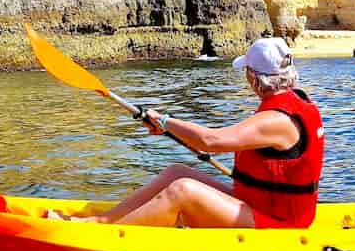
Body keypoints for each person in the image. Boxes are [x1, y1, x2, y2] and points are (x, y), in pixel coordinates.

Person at [48, 37, 325, 228]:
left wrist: (165, 120)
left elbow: (211, 141)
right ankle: (103, 222)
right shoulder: (297, 102)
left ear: (253, 77)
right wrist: (168, 127)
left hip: (278, 222)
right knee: (176, 173)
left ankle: (104, 237)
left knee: (183, 190)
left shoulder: (277, 119)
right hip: (259, 202)